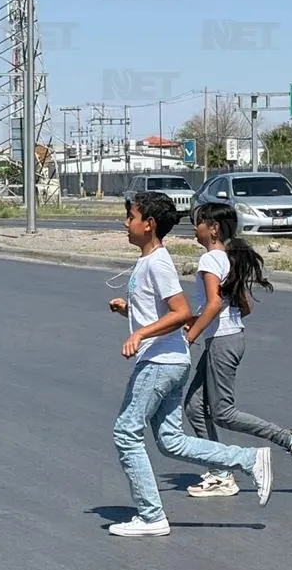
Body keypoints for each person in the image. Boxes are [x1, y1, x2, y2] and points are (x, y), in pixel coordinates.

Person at [106, 191, 273, 537]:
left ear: (149, 225)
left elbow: (181, 312)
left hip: (160, 362)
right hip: (167, 359)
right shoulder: (147, 261)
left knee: (126, 432)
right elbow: (160, 312)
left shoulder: (159, 262)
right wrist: (130, 312)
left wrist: (139, 335)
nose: (126, 222)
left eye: (131, 216)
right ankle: (248, 460)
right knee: (170, 440)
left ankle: (152, 516)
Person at [182, 203, 292, 498]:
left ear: (213, 228)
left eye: (199, 222)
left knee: (223, 412)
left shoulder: (209, 261)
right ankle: (219, 472)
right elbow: (243, 306)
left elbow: (215, 304)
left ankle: (291, 439)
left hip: (222, 343)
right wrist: (200, 321)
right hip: (229, 339)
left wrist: (190, 335)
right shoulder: (228, 259)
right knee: (194, 407)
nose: (195, 228)